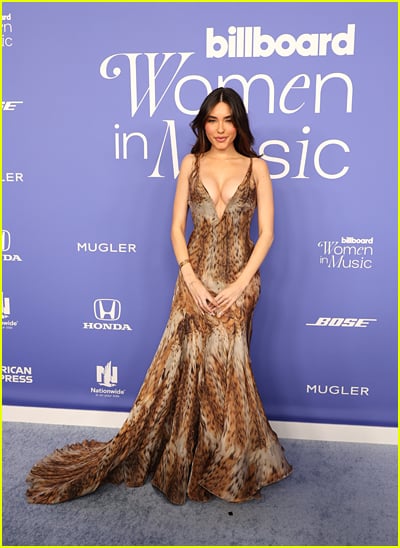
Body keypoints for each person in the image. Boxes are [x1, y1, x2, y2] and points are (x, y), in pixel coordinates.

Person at [26, 87, 292, 505]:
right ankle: (187, 455)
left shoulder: (257, 168)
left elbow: (268, 234)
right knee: (183, 367)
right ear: (203, 124)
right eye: (212, 120)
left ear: (239, 123)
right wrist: (190, 278)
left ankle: (231, 460)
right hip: (193, 279)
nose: (220, 129)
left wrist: (241, 285)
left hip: (240, 281)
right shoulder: (191, 163)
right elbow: (176, 228)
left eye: (227, 120)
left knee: (230, 368)